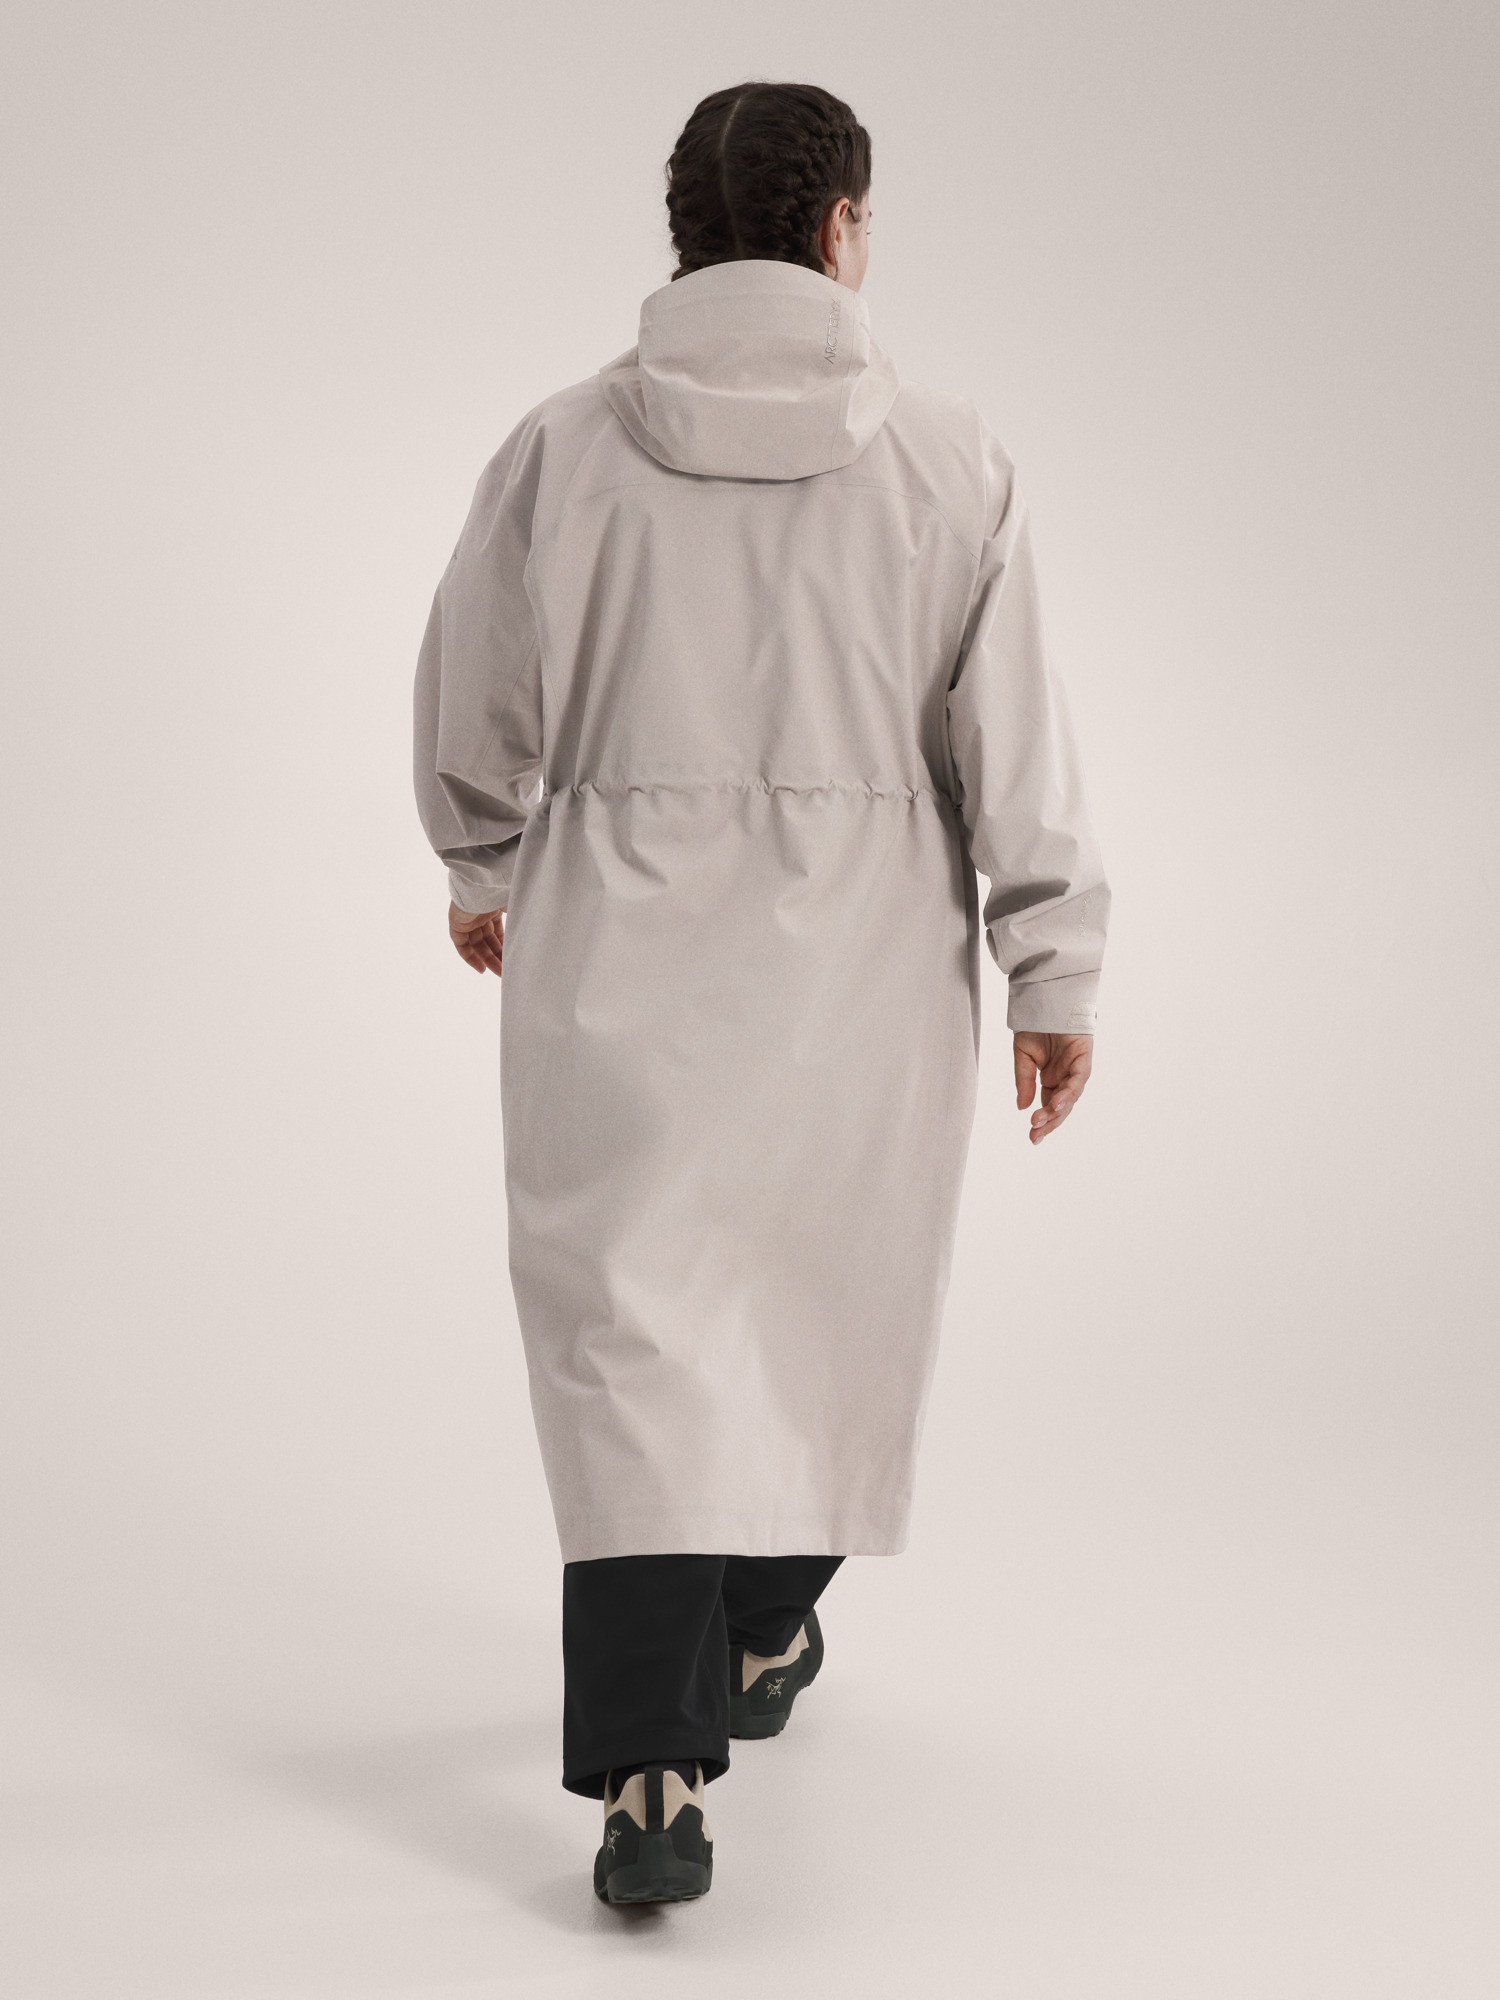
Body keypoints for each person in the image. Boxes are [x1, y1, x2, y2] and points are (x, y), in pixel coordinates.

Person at [413, 80, 1110, 1906]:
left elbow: (477, 692)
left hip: (617, 958)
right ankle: (762, 1625)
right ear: (841, 227)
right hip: (863, 972)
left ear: (687, 233)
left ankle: (653, 1765)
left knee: (634, 1346)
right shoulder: (952, 460)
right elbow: (1017, 746)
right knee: (827, 1316)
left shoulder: (564, 448)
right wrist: (1052, 961)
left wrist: (482, 861)